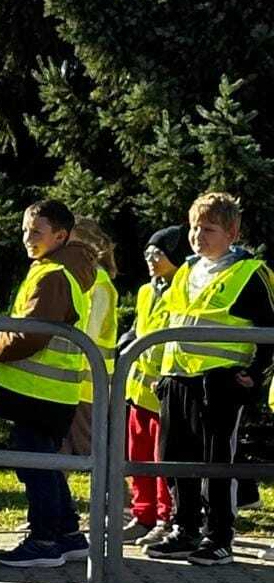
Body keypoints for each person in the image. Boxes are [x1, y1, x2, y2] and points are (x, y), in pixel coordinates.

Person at [147, 193, 274, 566]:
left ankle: (219, 536)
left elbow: (269, 329)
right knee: (175, 457)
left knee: (217, 462)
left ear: (232, 232)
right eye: (194, 228)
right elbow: (168, 322)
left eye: (208, 229)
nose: (198, 236)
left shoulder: (251, 273)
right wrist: (159, 373)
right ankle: (183, 527)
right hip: (178, 377)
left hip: (220, 382)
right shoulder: (186, 270)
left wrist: (254, 375)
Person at [0, 199, 96, 569]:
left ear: (60, 235)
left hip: (39, 391)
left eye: (36, 232)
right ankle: (69, 534)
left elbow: (32, 334)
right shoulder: (61, 268)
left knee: (34, 464)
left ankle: (44, 540)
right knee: (44, 462)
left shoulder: (53, 274)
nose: (28, 238)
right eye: (25, 230)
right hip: (52, 390)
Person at [119, 225, 188, 544]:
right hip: (139, 389)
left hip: (164, 388)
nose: (151, 259)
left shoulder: (183, 289)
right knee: (138, 456)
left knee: (163, 460)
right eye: (147, 253)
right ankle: (142, 514)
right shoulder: (148, 290)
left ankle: (165, 517)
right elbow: (138, 328)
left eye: (158, 254)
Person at [67, 217, 119, 457]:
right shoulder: (79, 277)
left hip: (87, 383)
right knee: (63, 447)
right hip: (71, 380)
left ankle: (118, 495)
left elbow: (89, 334)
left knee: (91, 450)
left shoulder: (98, 281)